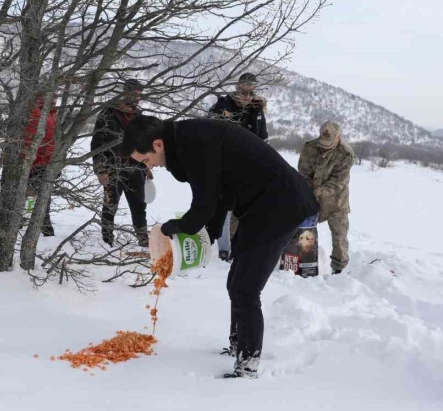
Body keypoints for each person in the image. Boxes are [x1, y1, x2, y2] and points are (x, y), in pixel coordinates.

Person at [120, 116, 319, 379]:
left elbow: (206, 200)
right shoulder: (185, 141)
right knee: (236, 283)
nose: (151, 167)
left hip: (280, 204)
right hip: (258, 206)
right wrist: (209, 233)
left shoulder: (193, 141)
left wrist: (179, 227)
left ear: (157, 144)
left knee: (245, 289)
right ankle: (239, 347)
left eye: (145, 160)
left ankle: (247, 366)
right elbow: (220, 194)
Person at [209, 73, 270, 262]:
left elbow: (263, 140)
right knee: (222, 208)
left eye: (250, 91)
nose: (246, 95)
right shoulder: (223, 105)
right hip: (224, 165)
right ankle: (222, 248)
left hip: (248, 167)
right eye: (243, 90)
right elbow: (208, 130)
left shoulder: (256, 109)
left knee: (244, 209)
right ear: (237, 87)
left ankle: (239, 245)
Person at [90, 79, 152, 247]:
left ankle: (143, 238)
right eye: (135, 94)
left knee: (139, 205)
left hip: (134, 168)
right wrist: (100, 170)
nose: (138, 98)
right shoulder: (108, 113)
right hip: (112, 167)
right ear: (125, 92)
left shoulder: (139, 116)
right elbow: (96, 144)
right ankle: (107, 238)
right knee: (110, 205)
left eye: (140, 95)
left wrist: (146, 164)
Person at [298, 121, 354, 275]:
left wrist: (319, 191)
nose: (325, 146)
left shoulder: (346, 153)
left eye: (329, 143)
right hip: (311, 198)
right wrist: (308, 193)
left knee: (339, 237)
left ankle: (338, 269)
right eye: (323, 142)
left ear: (338, 138)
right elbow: (303, 173)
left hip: (337, 202)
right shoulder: (309, 147)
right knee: (303, 231)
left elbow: (338, 182)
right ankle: (303, 263)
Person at [23, 95, 58, 236]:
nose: (55, 101)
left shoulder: (52, 114)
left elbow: (54, 141)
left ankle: (43, 226)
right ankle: (43, 228)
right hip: (36, 162)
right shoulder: (36, 113)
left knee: (43, 196)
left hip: (47, 162)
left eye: (56, 98)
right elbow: (30, 139)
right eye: (53, 97)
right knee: (34, 196)